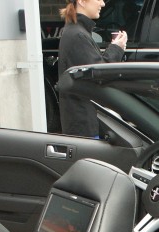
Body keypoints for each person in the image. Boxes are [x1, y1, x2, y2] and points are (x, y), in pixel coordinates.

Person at [58, 0, 128, 138]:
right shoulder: (78, 35)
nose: (102, 4)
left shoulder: (76, 31)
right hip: (85, 125)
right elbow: (99, 73)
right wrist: (116, 48)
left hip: (82, 121)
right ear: (82, 2)